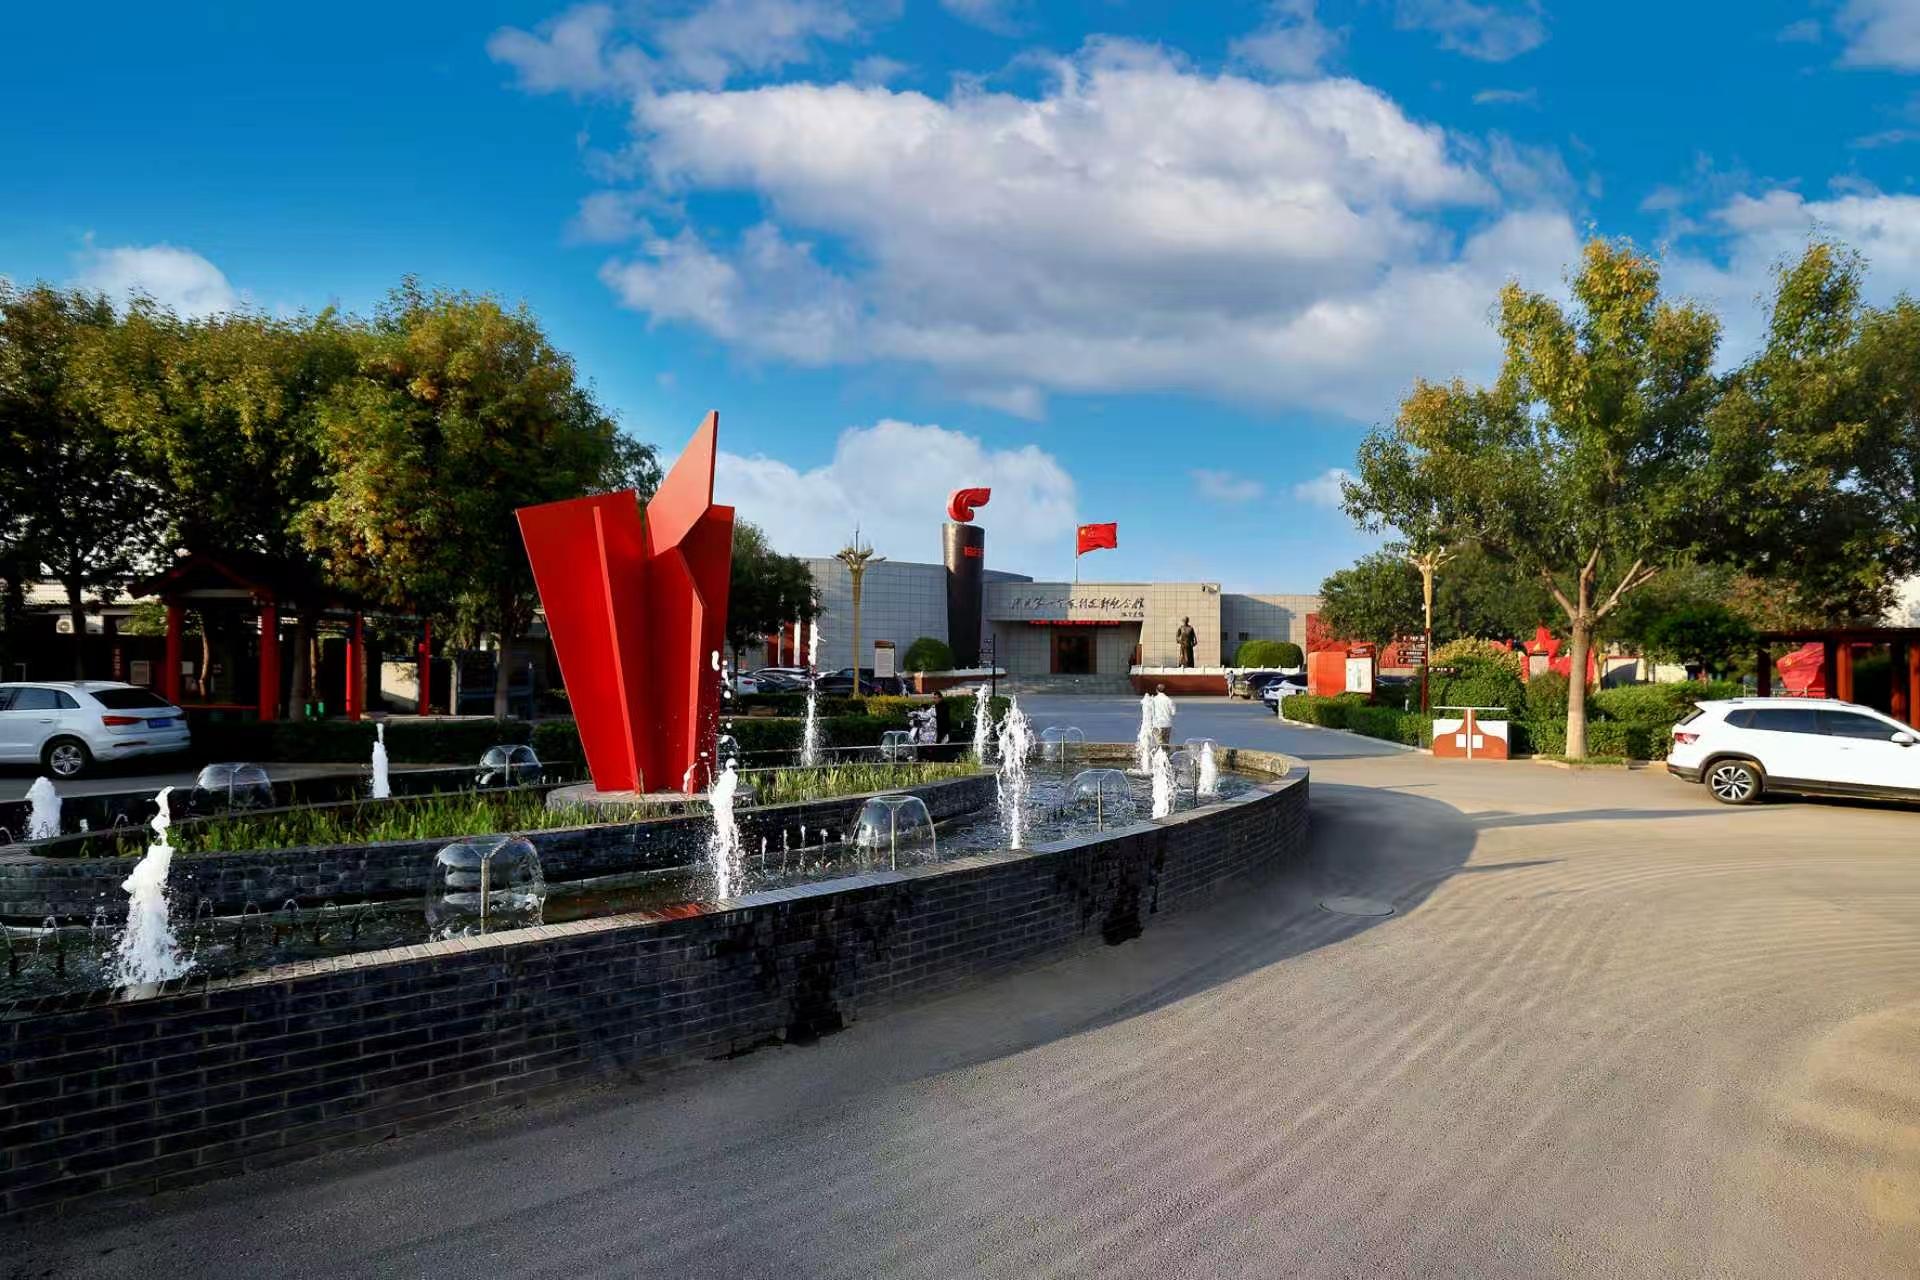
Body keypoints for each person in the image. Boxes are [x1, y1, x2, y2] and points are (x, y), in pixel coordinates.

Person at [1151, 682, 1177, 747]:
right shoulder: (1170, 700)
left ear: (1156, 690)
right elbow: (1173, 713)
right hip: (1167, 725)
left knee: (1159, 745)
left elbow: (1150, 712)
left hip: (1157, 724)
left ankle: (1160, 753)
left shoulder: (1153, 700)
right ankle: (1165, 752)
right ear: (1165, 691)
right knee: (1165, 745)